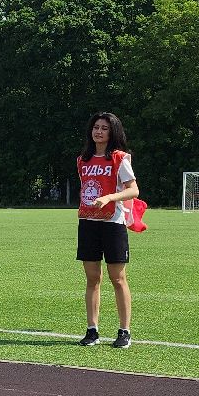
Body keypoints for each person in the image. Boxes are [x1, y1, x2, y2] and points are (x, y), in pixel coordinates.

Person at [76, 112, 139, 348]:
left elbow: (133, 190)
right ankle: (92, 330)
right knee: (92, 278)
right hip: (88, 223)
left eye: (104, 128)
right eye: (96, 127)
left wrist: (110, 197)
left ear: (112, 132)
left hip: (113, 223)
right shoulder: (82, 160)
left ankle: (124, 331)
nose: (99, 132)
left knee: (118, 278)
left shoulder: (119, 159)